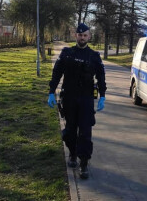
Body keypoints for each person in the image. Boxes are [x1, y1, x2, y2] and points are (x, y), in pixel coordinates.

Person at [47, 23, 106, 180]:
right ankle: (72, 154)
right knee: (71, 130)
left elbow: (101, 76)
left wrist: (103, 95)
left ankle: (84, 163)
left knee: (85, 132)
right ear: (76, 36)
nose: (82, 37)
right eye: (80, 35)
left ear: (89, 36)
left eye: (85, 35)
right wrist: (51, 92)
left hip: (86, 99)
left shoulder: (94, 56)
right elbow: (57, 73)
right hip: (70, 98)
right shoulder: (67, 53)